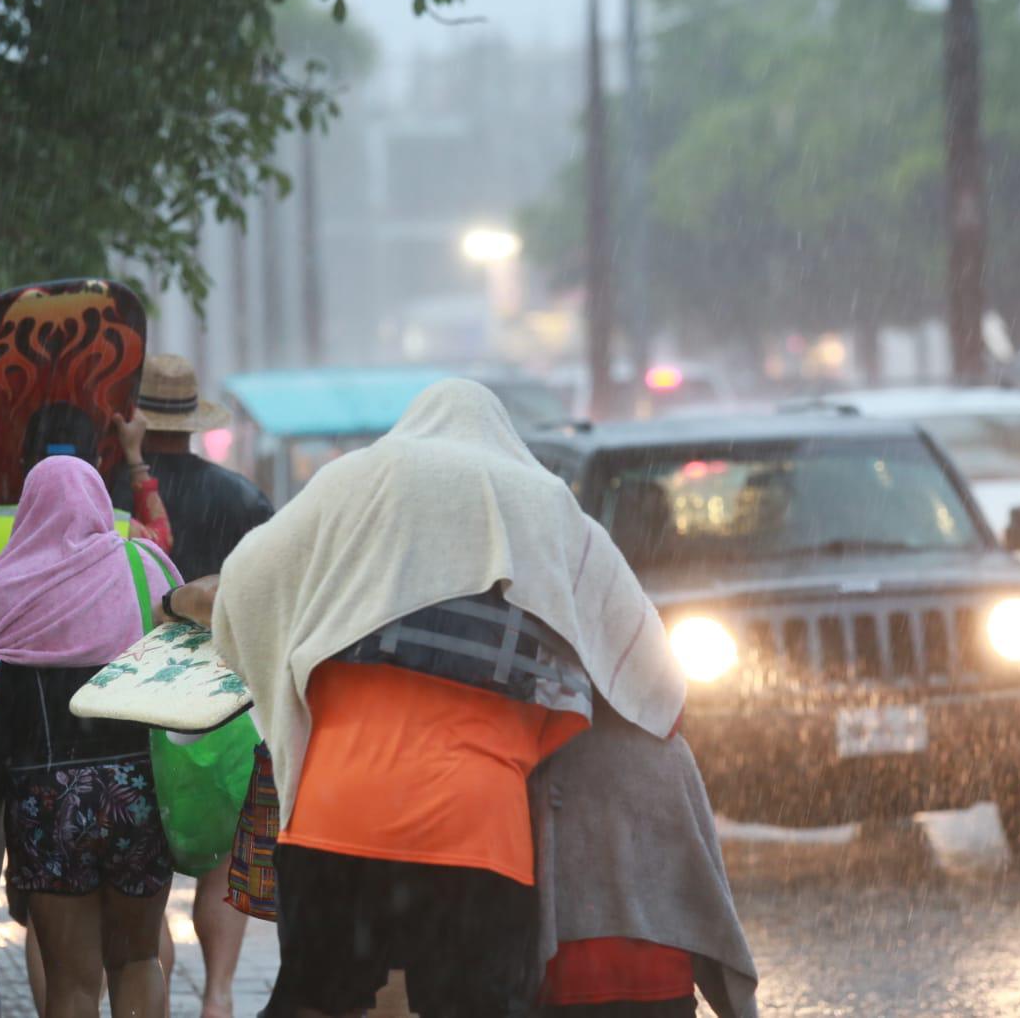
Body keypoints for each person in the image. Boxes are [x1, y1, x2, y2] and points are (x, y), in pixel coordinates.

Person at [187, 379, 687, 1018]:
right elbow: (648, 663)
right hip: (477, 837)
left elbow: (251, 577)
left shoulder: (358, 482)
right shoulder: (543, 504)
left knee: (314, 999)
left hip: (336, 820)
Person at [0, 457, 183, 1018]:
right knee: (139, 961)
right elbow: (187, 667)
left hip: (47, 808)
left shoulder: (6, 585)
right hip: (141, 797)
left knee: (71, 983)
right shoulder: (145, 567)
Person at [108, 353, 271, 1018]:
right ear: (194, 422)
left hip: (134, 696)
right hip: (223, 697)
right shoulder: (242, 499)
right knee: (220, 860)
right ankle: (220, 997)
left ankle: (158, 995)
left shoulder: (109, 494)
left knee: (148, 868)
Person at [532, 702, 759, 1018]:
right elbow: (705, 882)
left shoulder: (550, 747)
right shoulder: (670, 754)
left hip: (570, 982)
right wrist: (738, 1006)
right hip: (662, 983)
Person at [0, 403, 172, 622]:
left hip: (19, 670)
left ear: (24, 465)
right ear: (97, 466)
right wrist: (134, 457)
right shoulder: (122, 531)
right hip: (101, 670)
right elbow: (162, 541)